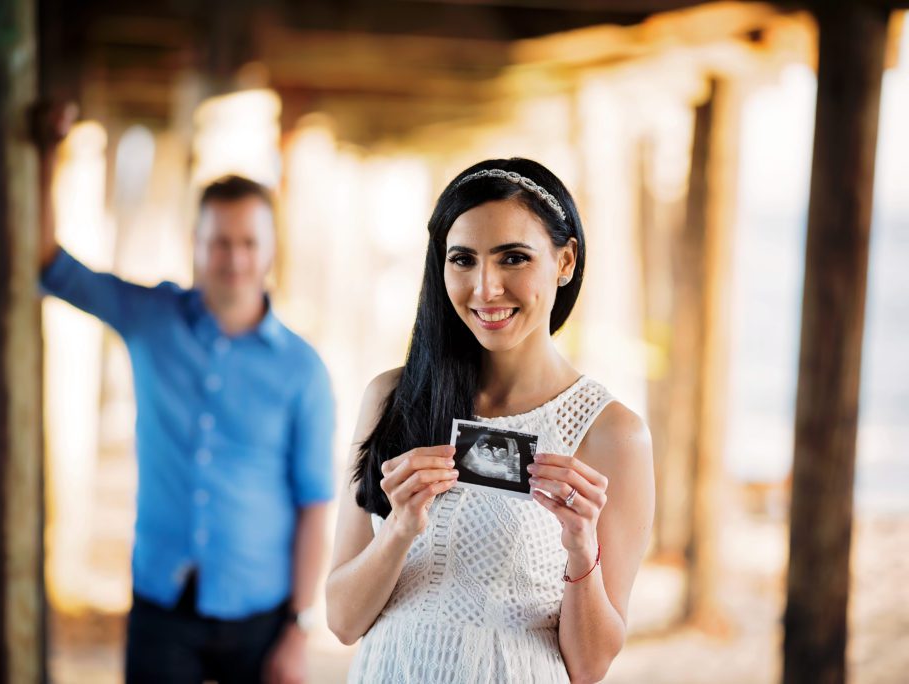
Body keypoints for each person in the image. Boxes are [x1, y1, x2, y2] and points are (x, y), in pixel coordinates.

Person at [33, 105, 335, 684]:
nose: (235, 259)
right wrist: (49, 153)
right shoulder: (151, 319)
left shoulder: (303, 371)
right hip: (160, 610)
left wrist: (299, 629)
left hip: (261, 620)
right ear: (195, 245)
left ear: (271, 249)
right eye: (219, 242)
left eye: (249, 242)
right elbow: (51, 264)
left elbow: (315, 507)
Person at [325, 158, 654, 683]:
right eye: (463, 260)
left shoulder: (611, 433)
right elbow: (342, 621)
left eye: (513, 258)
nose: (485, 288)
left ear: (565, 261)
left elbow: (589, 667)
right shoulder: (391, 397)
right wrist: (399, 531)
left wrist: (580, 545)